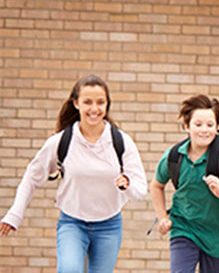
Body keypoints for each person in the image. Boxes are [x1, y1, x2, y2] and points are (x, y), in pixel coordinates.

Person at [0, 74, 147, 273]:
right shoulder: (62, 142)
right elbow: (31, 178)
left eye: (100, 102)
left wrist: (127, 185)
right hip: (72, 224)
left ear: (107, 105)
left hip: (109, 225)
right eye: (87, 102)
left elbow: (141, 189)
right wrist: (14, 215)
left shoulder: (121, 142)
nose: (94, 109)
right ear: (76, 103)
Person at [151, 94, 219, 273]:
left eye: (210, 125)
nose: (204, 130)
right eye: (198, 124)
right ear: (187, 126)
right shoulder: (174, 157)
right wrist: (163, 217)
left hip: (218, 235)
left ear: (217, 127)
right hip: (184, 228)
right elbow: (157, 185)